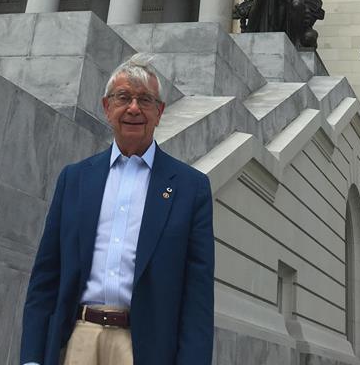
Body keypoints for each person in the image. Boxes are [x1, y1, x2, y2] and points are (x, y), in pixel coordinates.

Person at [20, 57, 214, 365]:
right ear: (107, 107)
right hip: (78, 340)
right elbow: (46, 276)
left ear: (159, 112)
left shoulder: (191, 189)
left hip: (145, 347)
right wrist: (31, 357)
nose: (134, 108)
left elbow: (198, 297)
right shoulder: (74, 179)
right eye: (123, 97)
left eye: (145, 100)